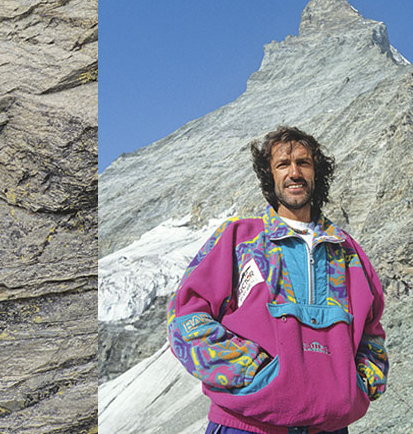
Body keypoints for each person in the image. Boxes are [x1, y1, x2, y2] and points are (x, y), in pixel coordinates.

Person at [166, 126, 388, 434]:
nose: (294, 172)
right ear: (269, 177)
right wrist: (250, 369)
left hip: (329, 428)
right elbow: (186, 315)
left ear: (316, 173)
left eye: (303, 163)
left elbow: (372, 330)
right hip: (246, 427)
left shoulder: (347, 251)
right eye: (283, 164)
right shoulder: (240, 238)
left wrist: (362, 381)